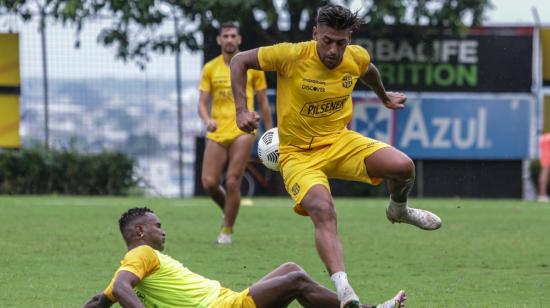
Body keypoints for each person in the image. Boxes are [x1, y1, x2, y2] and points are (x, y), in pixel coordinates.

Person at [230, 4, 441, 308]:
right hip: (298, 154)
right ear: (315, 34)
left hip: (340, 143)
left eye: (341, 43)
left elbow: (369, 72)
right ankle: (344, 289)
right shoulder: (291, 55)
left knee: (403, 166)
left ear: (349, 40)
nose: (333, 50)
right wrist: (240, 109)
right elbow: (239, 61)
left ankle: (399, 210)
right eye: (326, 40)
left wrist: (385, 97)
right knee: (323, 208)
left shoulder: (355, 57)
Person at [82, 207, 407, 308]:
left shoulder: (134, 263)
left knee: (291, 268)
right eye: (158, 226)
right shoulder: (141, 253)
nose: (163, 232)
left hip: (228, 299)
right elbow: (123, 288)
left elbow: (101, 300)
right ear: (139, 232)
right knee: (295, 281)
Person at [198, 22, 273, 244]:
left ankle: (226, 231)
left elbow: (263, 102)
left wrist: (270, 133)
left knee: (232, 181)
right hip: (218, 130)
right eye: (225, 36)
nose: (229, 39)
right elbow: (202, 103)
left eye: (233, 36)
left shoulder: (250, 65)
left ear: (239, 39)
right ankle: (229, 209)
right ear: (219, 40)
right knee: (209, 183)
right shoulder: (210, 68)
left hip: (244, 128)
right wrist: (206, 119)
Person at [538, 133, 550, 201]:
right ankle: (542, 195)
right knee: (545, 169)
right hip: (547, 141)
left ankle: (542, 195)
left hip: (545, 140)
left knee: (545, 169)